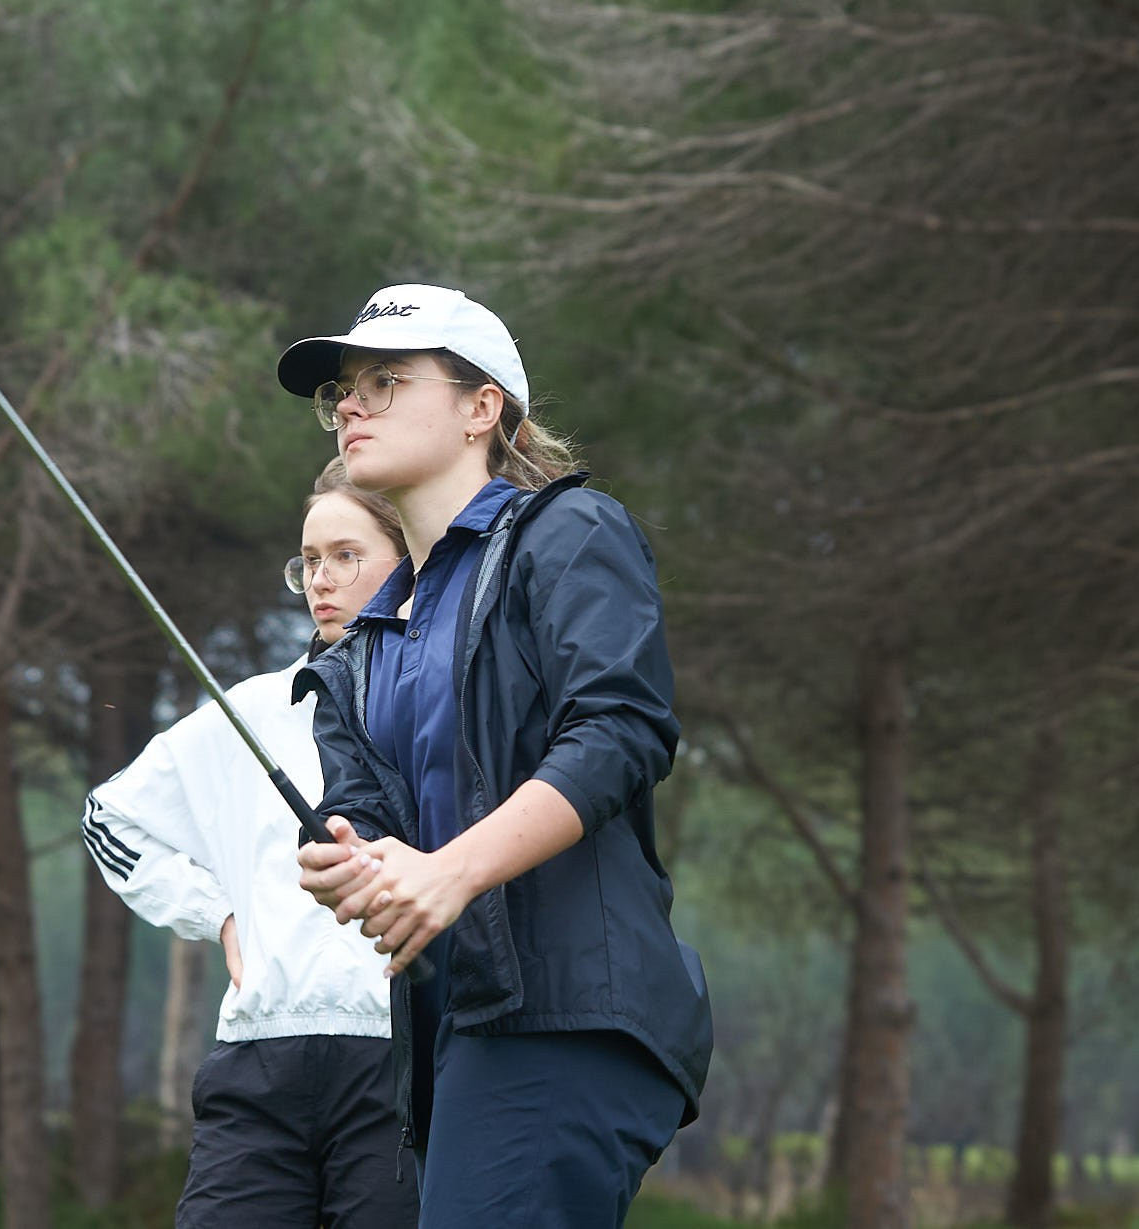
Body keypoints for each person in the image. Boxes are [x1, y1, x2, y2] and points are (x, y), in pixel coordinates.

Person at [277, 284, 714, 1228]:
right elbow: (379, 833)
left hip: (573, 1012)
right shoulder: (354, 654)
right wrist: (351, 863)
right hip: (455, 1036)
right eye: (343, 390)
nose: (350, 404)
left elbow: (620, 732)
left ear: (484, 410)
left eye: (386, 381)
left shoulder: (567, 532)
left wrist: (447, 871)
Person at [80, 458, 420, 1228]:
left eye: (346, 555)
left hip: (401, 1066)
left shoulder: (449, 706)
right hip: (260, 1069)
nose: (322, 578)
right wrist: (219, 913)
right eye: (309, 561)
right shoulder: (250, 711)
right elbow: (109, 818)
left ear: (410, 560)